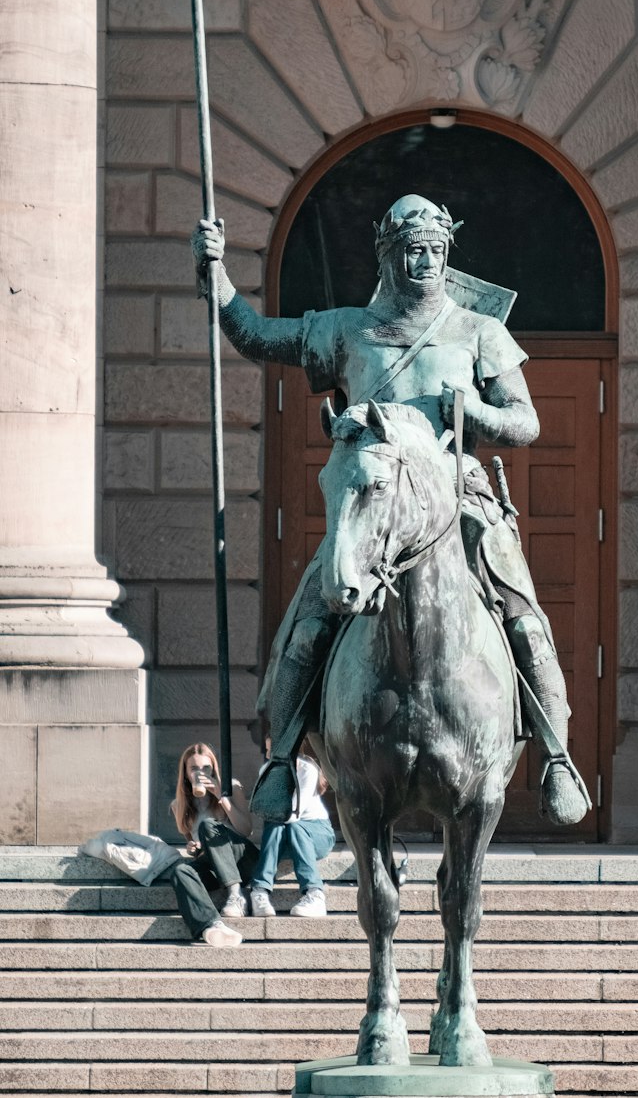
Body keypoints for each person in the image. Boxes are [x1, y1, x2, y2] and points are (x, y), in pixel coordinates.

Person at [191, 194, 589, 827]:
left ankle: (556, 755)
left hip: (458, 497)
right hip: (374, 499)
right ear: (388, 255)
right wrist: (217, 280)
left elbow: (526, 423)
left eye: (434, 249)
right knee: (311, 615)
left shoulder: (479, 331)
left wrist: (475, 411)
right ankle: (281, 755)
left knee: (523, 614)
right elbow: (259, 337)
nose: (423, 260)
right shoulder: (349, 329)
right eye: (410, 250)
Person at [168, 742, 258, 946]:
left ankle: (236, 896)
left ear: (213, 768)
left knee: (208, 826)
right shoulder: (179, 806)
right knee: (181, 871)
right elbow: (195, 846)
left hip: (244, 860)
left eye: (206, 768)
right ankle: (211, 925)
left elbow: (246, 830)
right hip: (217, 867)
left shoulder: (232, 787)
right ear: (185, 773)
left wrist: (221, 796)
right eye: (194, 768)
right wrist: (194, 849)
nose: (201, 773)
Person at [249, 738, 336, 918]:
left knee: (293, 826)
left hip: (317, 834)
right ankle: (260, 892)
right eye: (266, 750)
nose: (268, 755)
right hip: (286, 838)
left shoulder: (307, 770)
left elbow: (293, 814)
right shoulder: (266, 771)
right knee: (275, 826)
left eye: (271, 750)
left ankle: (315, 893)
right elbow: (263, 810)